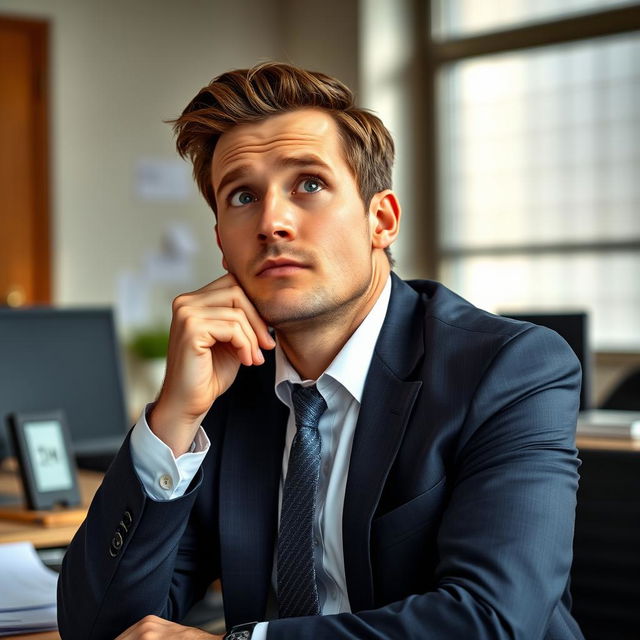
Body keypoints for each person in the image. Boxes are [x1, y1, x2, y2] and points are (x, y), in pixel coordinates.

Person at [58, 62, 584, 640]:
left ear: (380, 219)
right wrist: (173, 419)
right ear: (222, 245)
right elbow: (98, 627)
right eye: (241, 196)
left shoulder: (507, 368)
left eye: (308, 184)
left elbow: (493, 620)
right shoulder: (230, 386)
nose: (272, 221)